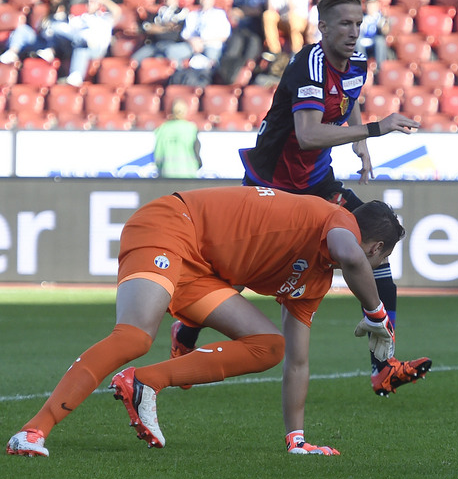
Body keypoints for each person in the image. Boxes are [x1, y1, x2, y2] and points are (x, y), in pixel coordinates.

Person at [5, 186, 418, 458]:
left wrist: (297, 440)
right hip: (170, 224)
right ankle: (32, 431)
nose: (374, 267)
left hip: (201, 269)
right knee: (133, 335)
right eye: (379, 260)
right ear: (377, 247)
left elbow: (296, 362)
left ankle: (146, 381)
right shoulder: (339, 220)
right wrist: (376, 314)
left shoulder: (315, 279)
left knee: (270, 345)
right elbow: (351, 255)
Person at [173, 0, 426, 400]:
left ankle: (384, 367)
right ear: (322, 27)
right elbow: (308, 136)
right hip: (272, 181)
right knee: (233, 275)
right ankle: (185, 332)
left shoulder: (356, 62)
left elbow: (350, 98)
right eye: (344, 23)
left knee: (377, 248)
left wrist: (359, 144)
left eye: (358, 23)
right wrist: (376, 129)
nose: (353, 31)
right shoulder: (308, 65)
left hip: (317, 182)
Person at [262, 0, 311, 65]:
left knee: (293, 19)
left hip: (298, 19)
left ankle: (296, 52)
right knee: (268, 15)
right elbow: (271, 8)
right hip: (284, 20)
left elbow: (293, 9)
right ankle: (274, 51)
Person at [153, 98, 202, 178]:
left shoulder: (162, 129)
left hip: (166, 176)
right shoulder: (191, 128)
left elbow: (158, 155)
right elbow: (196, 152)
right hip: (188, 175)